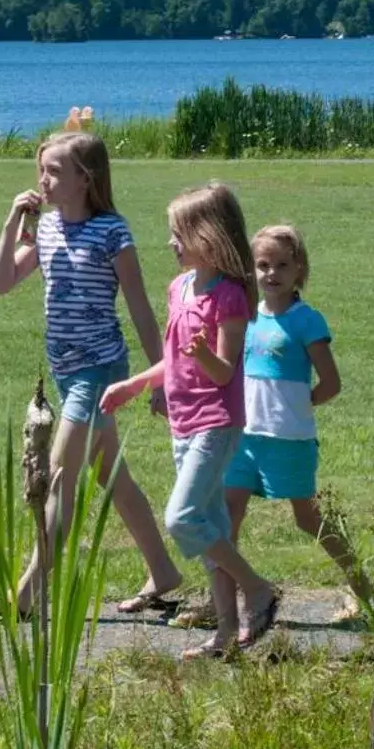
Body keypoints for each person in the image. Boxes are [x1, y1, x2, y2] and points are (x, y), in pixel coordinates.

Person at [0, 131, 184, 617]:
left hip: (101, 372)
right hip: (66, 371)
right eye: (41, 170)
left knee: (57, 476)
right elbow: (1, 283)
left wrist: (161, 380)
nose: (43, 180)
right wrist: (13, 223)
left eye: (54, 171)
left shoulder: (113, 232)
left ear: (84, 179)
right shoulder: (46, 229)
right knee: (113, 477)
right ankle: (162, 570)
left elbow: (139, 310)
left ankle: (27, 593)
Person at [101, 183, 280, 658]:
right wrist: (136, 385)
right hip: (182, 422)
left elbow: (223, 370)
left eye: (179, 233)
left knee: (182, 518)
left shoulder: (230, 300)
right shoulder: (178, 288)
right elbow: (172, 360)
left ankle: (258, 590)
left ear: (210, 236)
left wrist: (202, 352)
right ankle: (224, 635)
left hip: (217, 423)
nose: (171, 242)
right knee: (211, 528)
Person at [225, 225, 374, 621]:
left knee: (307, 518)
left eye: (281, 265)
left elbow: (331, 383)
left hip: (288, 438)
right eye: (262, 265)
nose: (271, 274)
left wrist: (297, 404)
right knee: (228, 514)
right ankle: (220, 601)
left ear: (299, 271)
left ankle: (362, 585)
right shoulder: (244, 314)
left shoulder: (306, 320)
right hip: (243, 435)